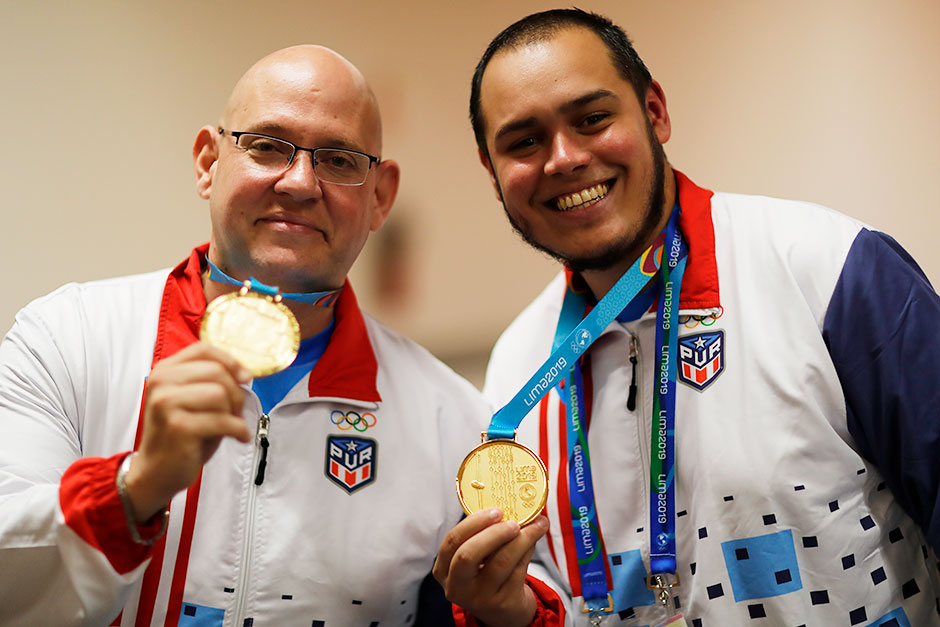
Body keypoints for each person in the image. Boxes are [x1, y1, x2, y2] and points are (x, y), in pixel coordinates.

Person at [434, 8, 940, 627]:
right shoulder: (518, 364)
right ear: (492, 173)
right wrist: (508, 610)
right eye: (523, 142)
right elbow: (565, 602)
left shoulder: (828, 267)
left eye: (592, 119)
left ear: (654, 113)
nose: (562, 159)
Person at [0, 45, 488, 626]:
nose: (301, 183)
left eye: (338, 160)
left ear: (380, 196)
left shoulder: (453, 418)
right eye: (267, 147)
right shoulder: (67, 339)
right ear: (208, 161)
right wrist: (134, 489)